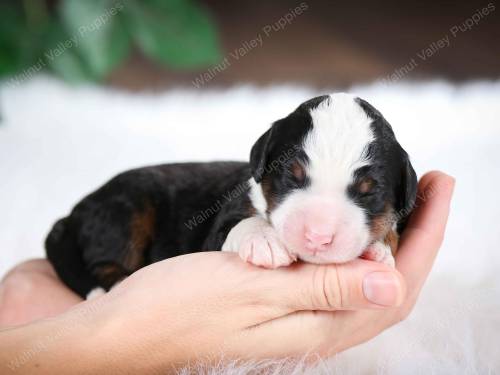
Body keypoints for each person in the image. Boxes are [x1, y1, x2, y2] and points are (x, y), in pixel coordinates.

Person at [0, 171, 454, 374]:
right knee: (127, 213)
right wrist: (105, 332)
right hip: (142, 205)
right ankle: (105, 274)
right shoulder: (246, 210)